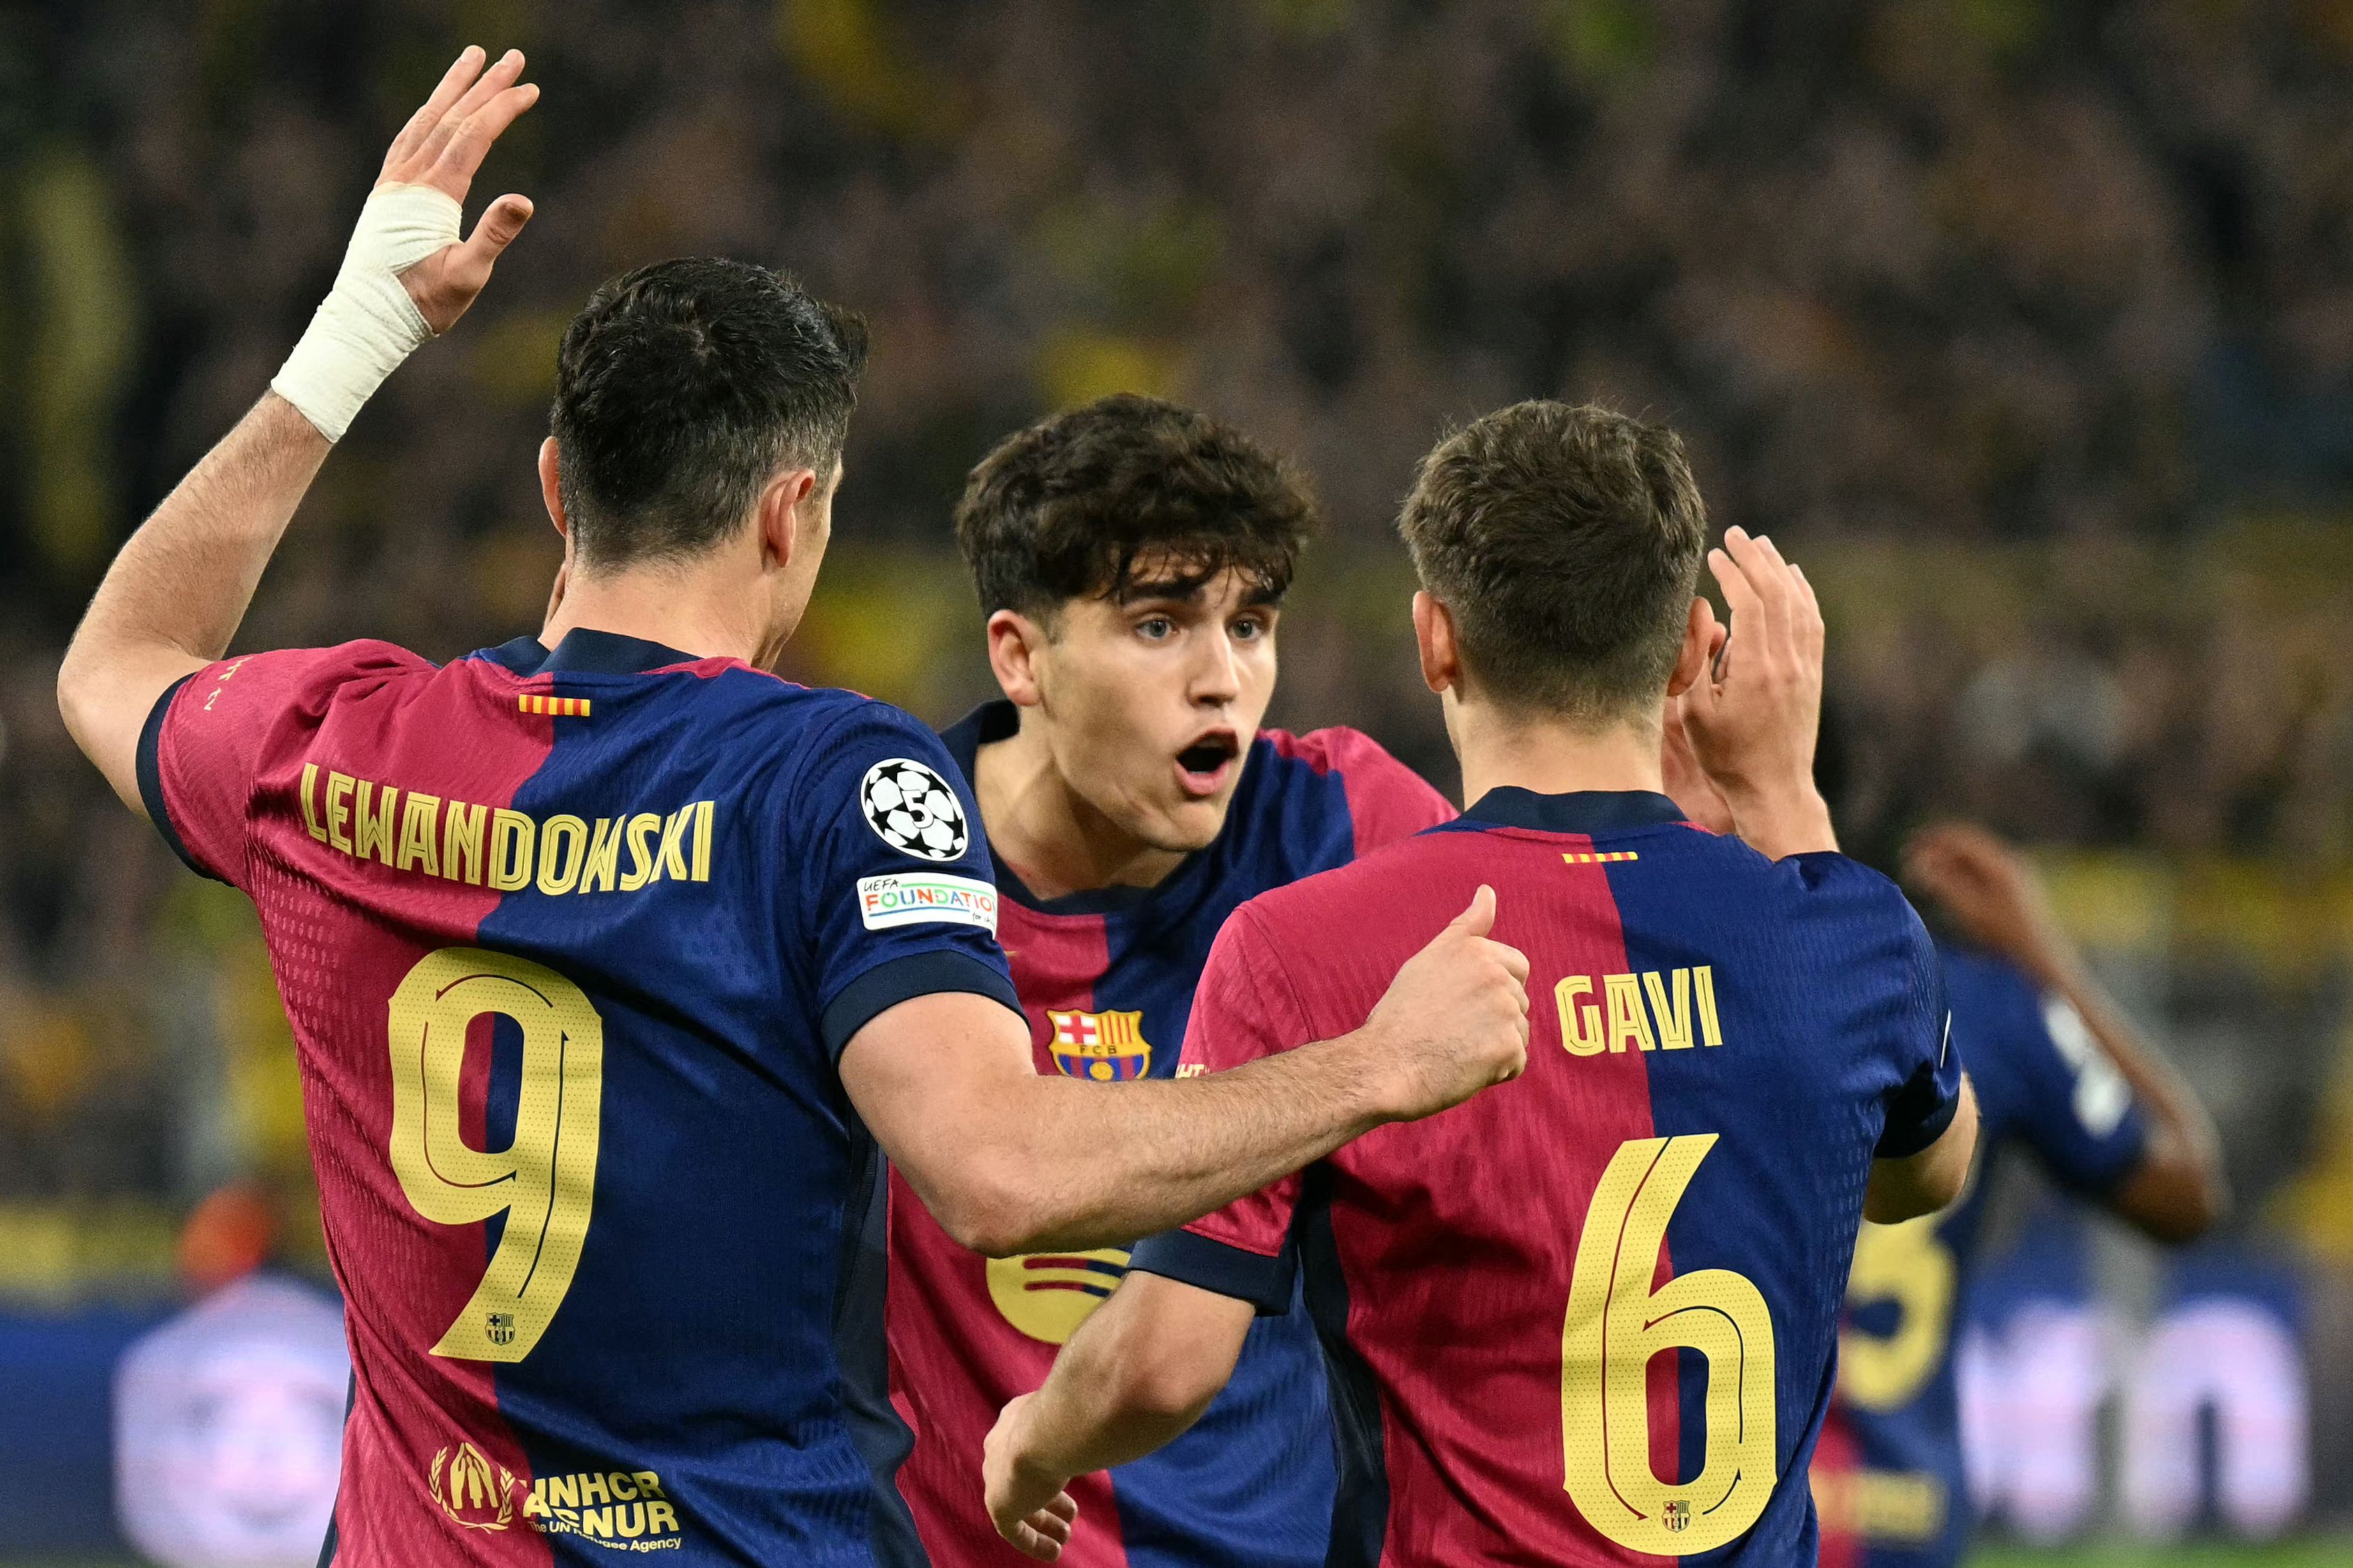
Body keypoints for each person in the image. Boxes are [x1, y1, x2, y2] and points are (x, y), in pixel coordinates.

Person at [52, 50, 1533, 1565]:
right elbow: (1002, 1170)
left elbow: (113, 665)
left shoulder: (335, 746)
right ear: (792, 511)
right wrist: (1374, 1065)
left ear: (558, 488)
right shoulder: (842, 786)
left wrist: (358, 334)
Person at [980, 400, 1983, 1566]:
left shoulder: (1302, 950)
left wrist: (1034, 1443)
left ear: (1435, 640)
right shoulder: (1850, 935)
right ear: (1683, 654)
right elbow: (1921, 1173)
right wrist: (1783, 798)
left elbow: (1163, 1365)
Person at [888, 395, 1457, 1567]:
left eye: (1249, 625)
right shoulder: (883, 859)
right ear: (1020, 656)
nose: (1221, 679)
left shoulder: (1345, 827)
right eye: (1158, 625)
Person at [1807, 822, 2228, 1568]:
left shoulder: (1690, 975)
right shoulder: (1973, 1000)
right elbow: (2184, 1188)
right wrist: (2046, 963)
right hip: (1900, 1510)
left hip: (1721, 1504)